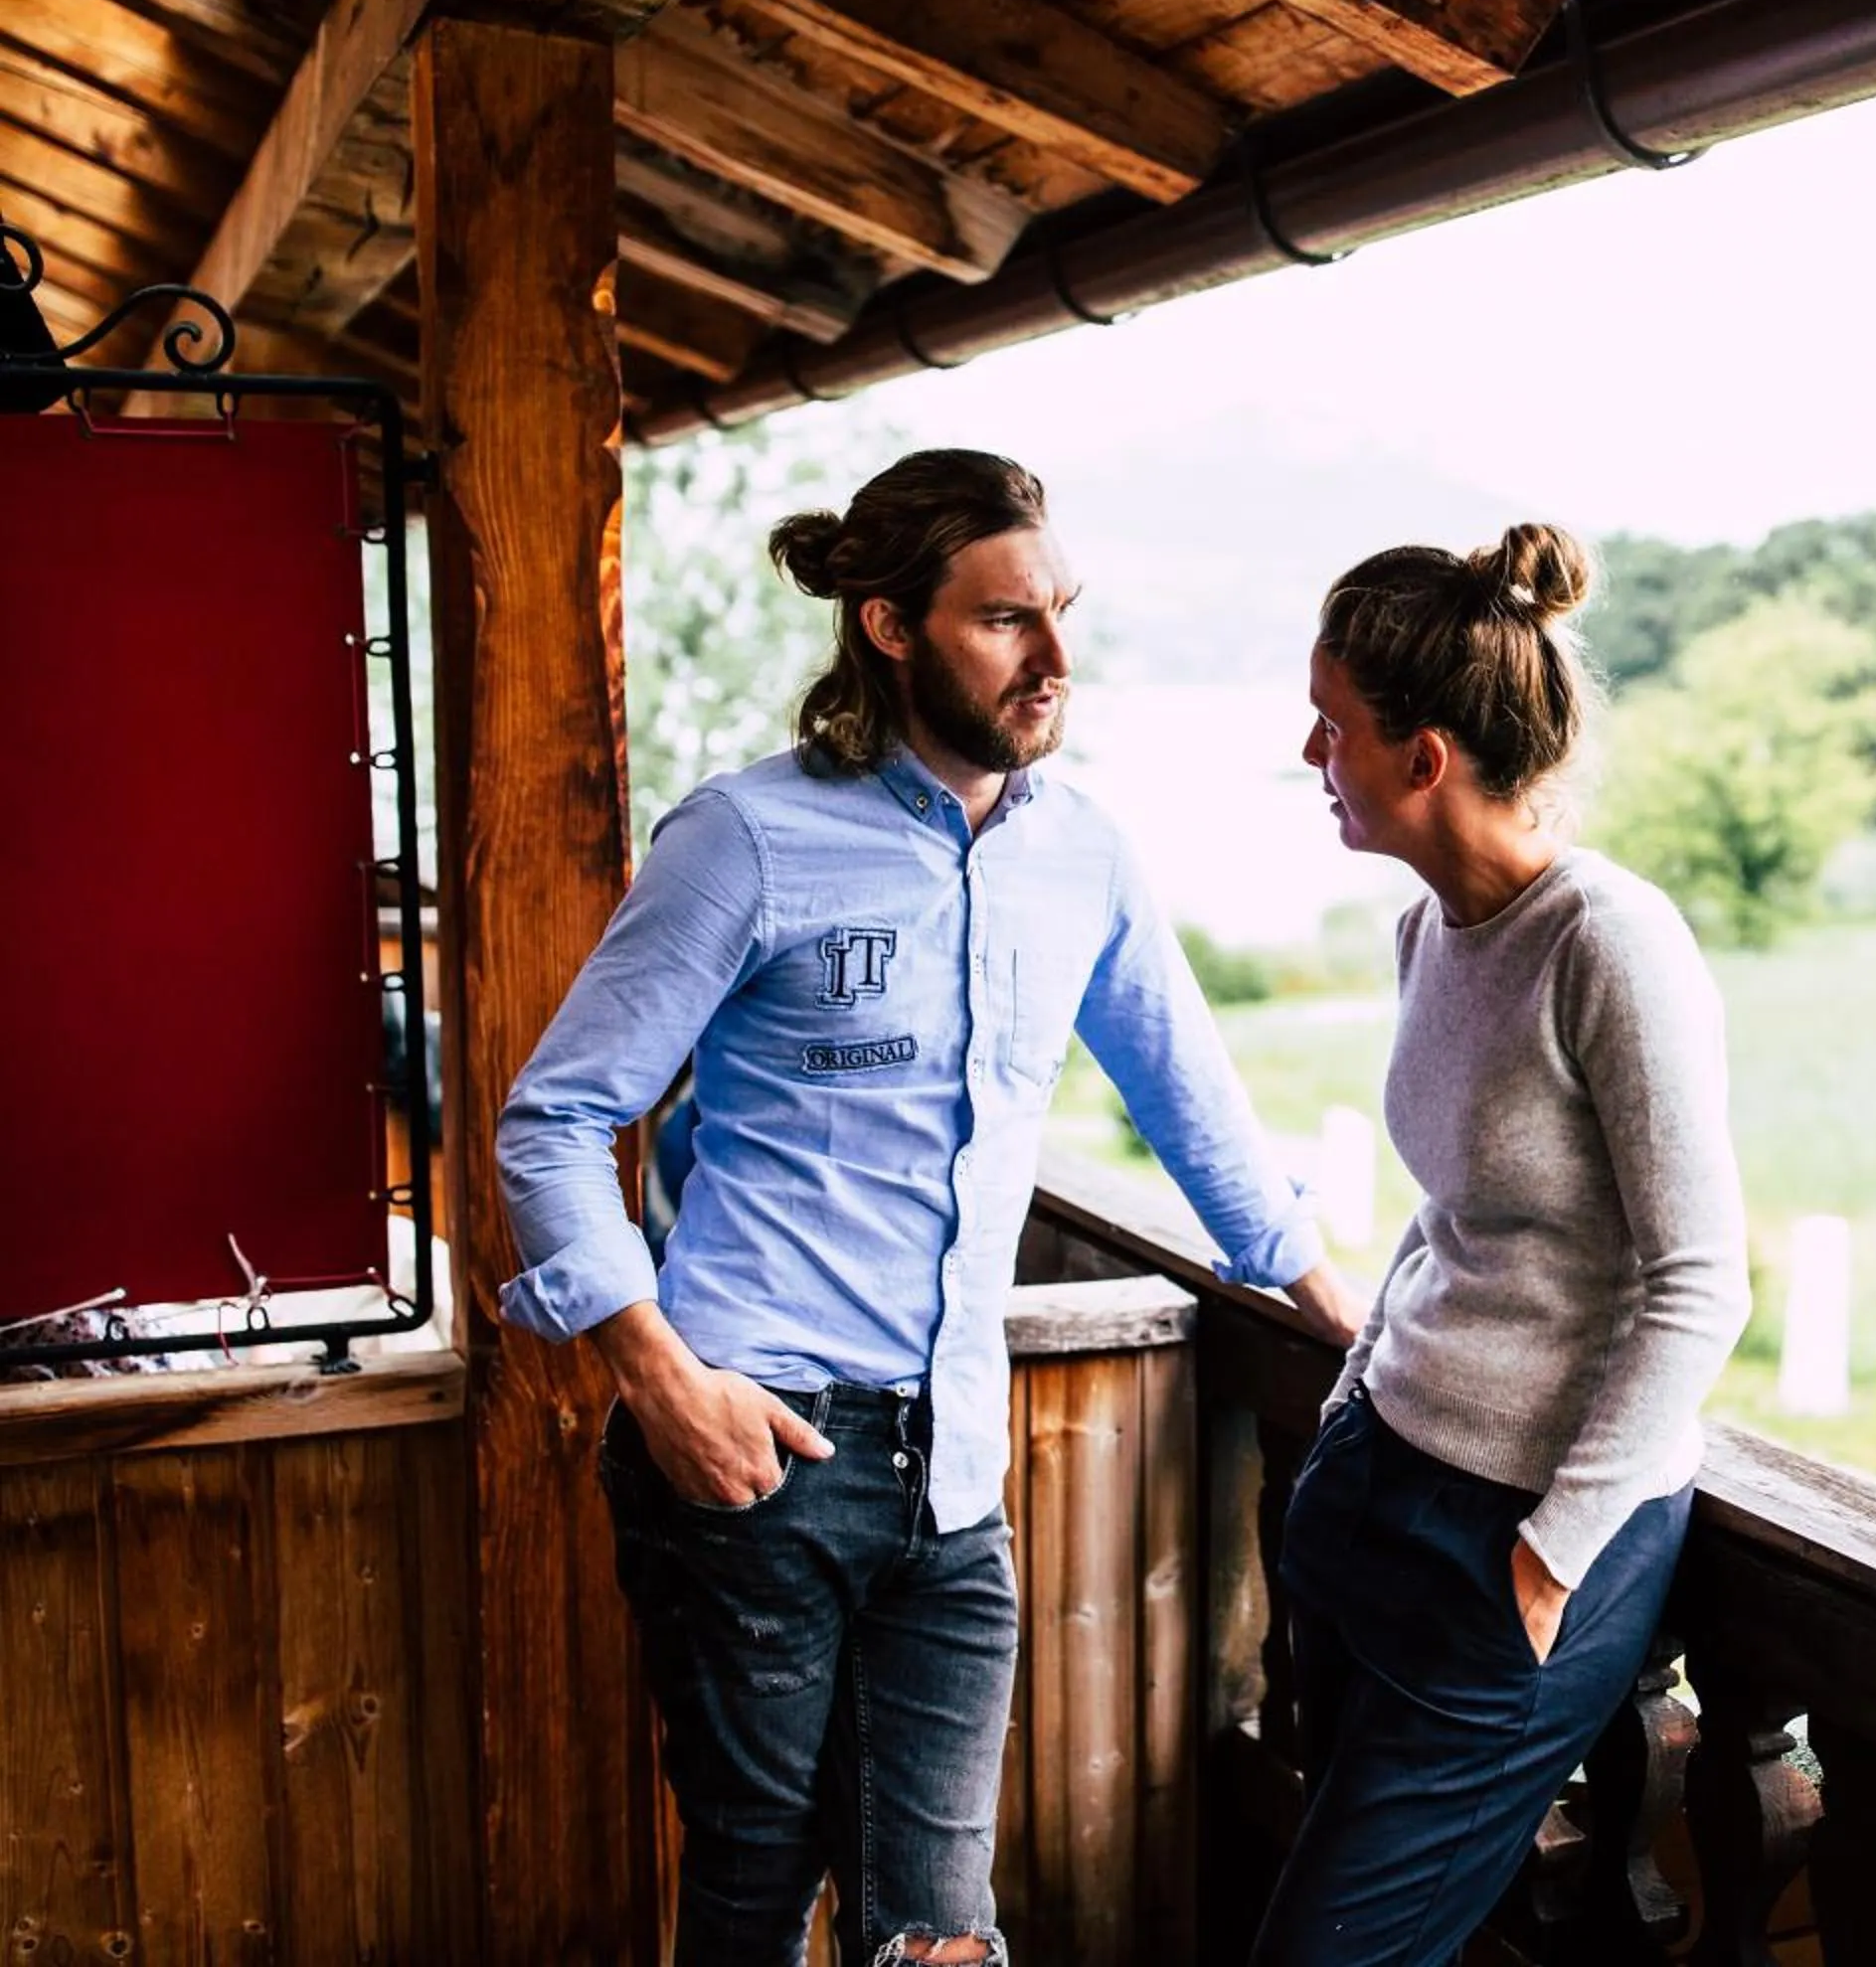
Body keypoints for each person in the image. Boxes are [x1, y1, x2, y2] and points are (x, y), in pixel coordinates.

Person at [494, 448, 1364, 1967]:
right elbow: (557, 1119)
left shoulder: (1082, 854)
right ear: (891, 629)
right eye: (1005, 622)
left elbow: (1192, 1102)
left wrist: (1340, 1311)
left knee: (941, 1933)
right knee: (756, 1903)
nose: (1055, 661)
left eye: (1062, 615)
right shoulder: (746, 838)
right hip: (750, 1451)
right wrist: (661, 1379)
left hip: (955, 1481)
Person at [1253, 526, 1753, 1966]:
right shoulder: (1429, 932)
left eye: (1332, 725)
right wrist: (1357, 1406)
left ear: (1425, 758)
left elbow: (1699, 1283)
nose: (1309, 752)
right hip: (1379, 1490)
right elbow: (1457, 1213)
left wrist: (1549, 1561)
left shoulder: (1612, 941)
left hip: (1521, 1553)